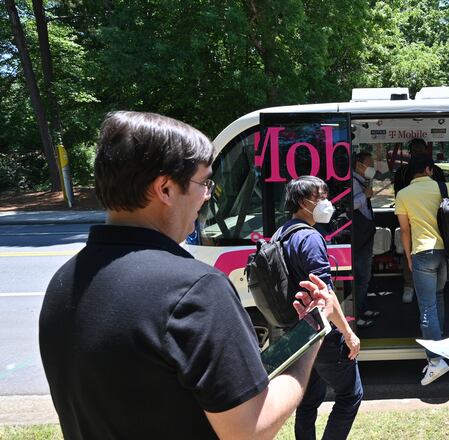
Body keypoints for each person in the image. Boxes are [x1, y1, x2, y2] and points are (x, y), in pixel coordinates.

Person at [39, 111, 331, 439]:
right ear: (164, 188)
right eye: (204, 182)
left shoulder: (62, 283)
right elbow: (250, 429)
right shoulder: (195, 289)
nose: (208, 195)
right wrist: (307, 349)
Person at [279, 176, 363, 440]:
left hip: (298, 333)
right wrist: (348, 334)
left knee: (308, 399)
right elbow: (326, 295)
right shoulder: (310, 238)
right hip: (321, 332)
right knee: (351, 395)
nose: (327, 202)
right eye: (321, 197)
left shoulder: (283, 233)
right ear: (304, 202)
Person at [394, 154, 449, 385]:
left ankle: (436, 361)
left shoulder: (403, 194)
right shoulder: (445, 187)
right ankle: (439, 350)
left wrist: (408, 258)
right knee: (438, 298)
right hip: (444, 252)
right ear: (429, 170)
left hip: (422, 252)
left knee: (427, 307)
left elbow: (405, 230)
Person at [393, 138, 445, 303]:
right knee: (408, 251)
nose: (417, 152)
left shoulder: (436, 170)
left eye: (420, 149)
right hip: (409, 218)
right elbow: (398, 196)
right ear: (410, 152)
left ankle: (436, 290)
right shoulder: (402, 171)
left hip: (437, 222)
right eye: (414, 149)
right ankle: (408, 285)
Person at [351, 151, 380, 328]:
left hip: (365, 235)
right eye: (369, 164)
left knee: (365, 276)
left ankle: (362, 308)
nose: (372, 168)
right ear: (359, 165)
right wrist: (365, 196)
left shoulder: (362, 181)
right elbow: (349, 204)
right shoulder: (352, 182)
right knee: (360, 276)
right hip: (358, 236)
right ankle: (356, 314)